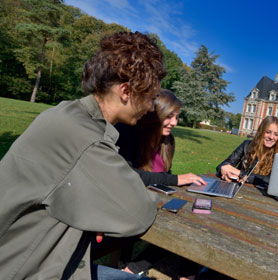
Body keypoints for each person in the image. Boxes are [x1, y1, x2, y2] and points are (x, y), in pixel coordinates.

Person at [0, 31, 165, 279]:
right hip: (28, 268)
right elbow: (137, 213)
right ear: (126, 91)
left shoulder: (67, 112)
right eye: (151, 98)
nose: (152, 107)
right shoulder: (86, 138)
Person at [117, 89, 206, 187]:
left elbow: (165, 175)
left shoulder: (168, 141)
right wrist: (175, 179)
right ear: (153, 114)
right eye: (169, 116)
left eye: (176, 117)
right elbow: (126, 174)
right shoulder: (128, 133)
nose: (174, 123)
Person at [216, 116, 278, 188]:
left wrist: (242, 174)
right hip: (239, 189)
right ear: (261, 132)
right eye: (268, 132)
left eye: (276, 134)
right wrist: (225, 172)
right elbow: (223, 165)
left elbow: (274, 181)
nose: (271, 137)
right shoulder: (246, 145)